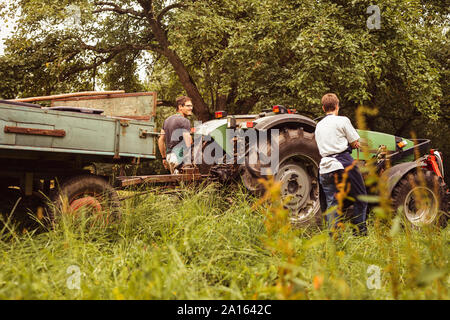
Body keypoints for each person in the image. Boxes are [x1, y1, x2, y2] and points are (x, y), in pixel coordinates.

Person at [314, 93, 368, 236]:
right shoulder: (343, 120)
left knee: (332, 204)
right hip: (343, 163)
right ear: (337, 106)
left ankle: (334, 237)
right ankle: (359, 233)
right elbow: (355, 142)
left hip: (324, 167)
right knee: (361, 198)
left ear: (323, 107)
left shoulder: (318, 125)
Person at [158, 96, 193, 174]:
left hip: (169, 157)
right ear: (180, 107)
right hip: (179, 157)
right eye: (188, 106)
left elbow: (160, 140)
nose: (191, 108)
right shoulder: (185, 121)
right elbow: (188, 142)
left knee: (177, 183)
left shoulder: (167, 120)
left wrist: (163, 158)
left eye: (191, 106)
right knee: (187, 183)